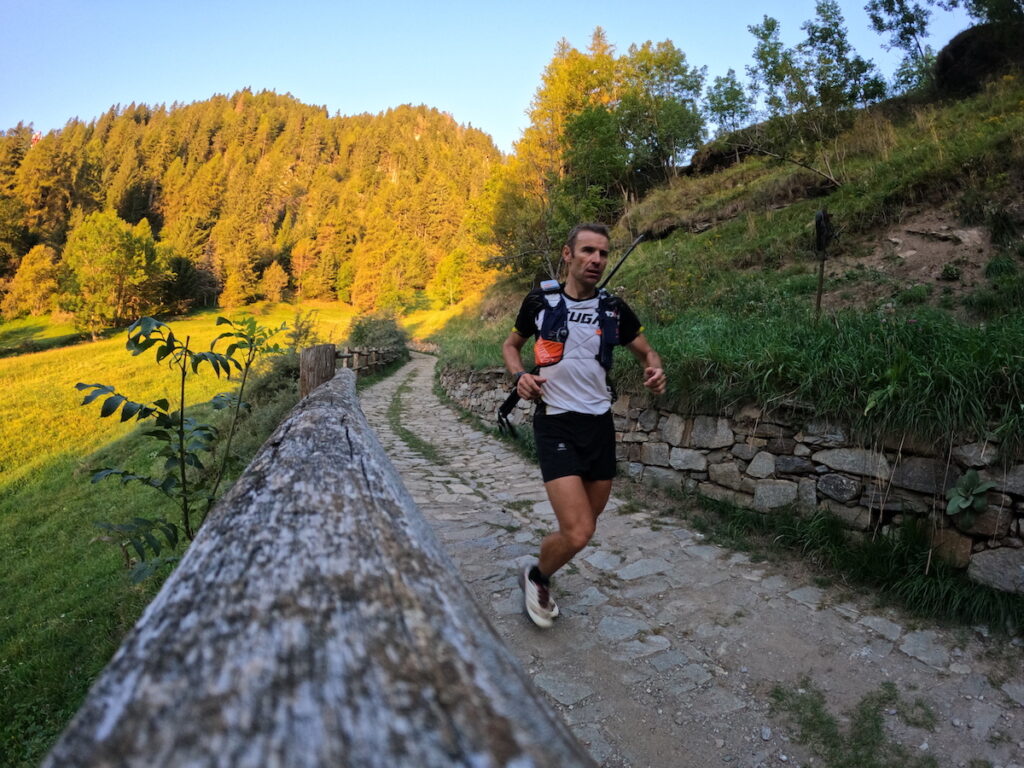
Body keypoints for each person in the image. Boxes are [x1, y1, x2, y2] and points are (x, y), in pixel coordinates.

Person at [501, 222, 667, 628]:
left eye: (603, 254)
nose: (596, 260)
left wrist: (655, 369)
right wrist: (520, 375)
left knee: (583, 528)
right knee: (578, 532)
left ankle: (541, 564)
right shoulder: (540, 301)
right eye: (588, 251)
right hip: (555, 422)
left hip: (599, 425)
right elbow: (511, 346)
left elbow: (647, 352)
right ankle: (537, 576)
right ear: (568, 254)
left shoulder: (613, 309)